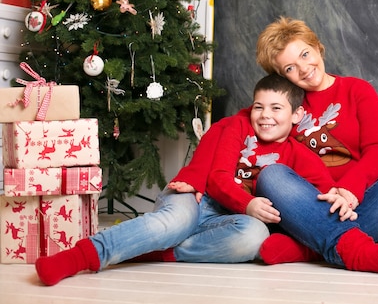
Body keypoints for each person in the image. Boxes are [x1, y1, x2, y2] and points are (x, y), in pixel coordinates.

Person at [35, 73, 356, 286]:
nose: (265, 115)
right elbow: (216, 178)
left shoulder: (297, 154)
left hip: (230, 220)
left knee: (255, 237)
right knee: (172, 223)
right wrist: (249, 202)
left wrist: (341, 197)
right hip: (196, 197)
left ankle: (160, 251)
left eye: (276, 108)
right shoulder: (237, 127)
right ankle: (82, 255)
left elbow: (322, 189)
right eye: (259, 106)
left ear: (296, 115)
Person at [253, 16, 378, 276]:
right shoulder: (282, 104)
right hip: (309, 203)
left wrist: (350, 190)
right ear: (281, 78)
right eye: (290, 68)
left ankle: (307, 248)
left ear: (318, 47)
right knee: (271, 175)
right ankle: (356, 248)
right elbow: (241, 127)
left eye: (305, 54)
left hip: (362, 200)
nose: (303, 69)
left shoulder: (357, 90)